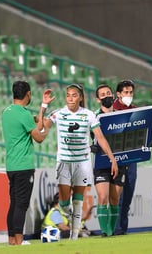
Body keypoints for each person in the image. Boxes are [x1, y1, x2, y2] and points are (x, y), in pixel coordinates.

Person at [43, 83, 118, 240]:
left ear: (81, 97)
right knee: (63, 202)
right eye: (68, 95)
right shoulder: (58, 114)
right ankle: (68, 215)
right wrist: (44, 106)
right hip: (64, 162)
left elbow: (101, 138)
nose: (70, 98)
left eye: (74, 95)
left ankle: (75, 234)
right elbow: (43, 126)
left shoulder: (89, 115)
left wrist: (112, 159)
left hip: (82, 162)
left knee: (78, 199)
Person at [2, 80, 55, 245]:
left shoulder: (7, 112)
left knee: (14, 203)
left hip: (11, 165)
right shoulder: (23, 114)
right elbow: (39, 137)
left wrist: (43, 106)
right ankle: (19, 239)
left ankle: (11, 239)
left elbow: (32, 123)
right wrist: (47, 127)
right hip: (24, 165)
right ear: (28, 94)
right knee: (22, 204)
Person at [92, 84, 128, 237]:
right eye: (103, 94)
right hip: (101, 162)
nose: (107, 96)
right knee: (102, 196)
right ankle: (104, 232)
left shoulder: (121, 115)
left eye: (108, 93)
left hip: (120, 161)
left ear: (113, 95)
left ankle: (111, 231)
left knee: (114, 198)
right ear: (97, 99)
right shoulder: (93, 117)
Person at [113, 79, 137, 235]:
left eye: (130, 92)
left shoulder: (136, 111)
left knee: (128, 196)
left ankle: (123, 229)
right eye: (126, 92)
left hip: (132, 158)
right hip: (116, 158)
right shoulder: (112, 110)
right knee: (117, 198)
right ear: (118, 94)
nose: (129, 95)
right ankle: (115, 230)